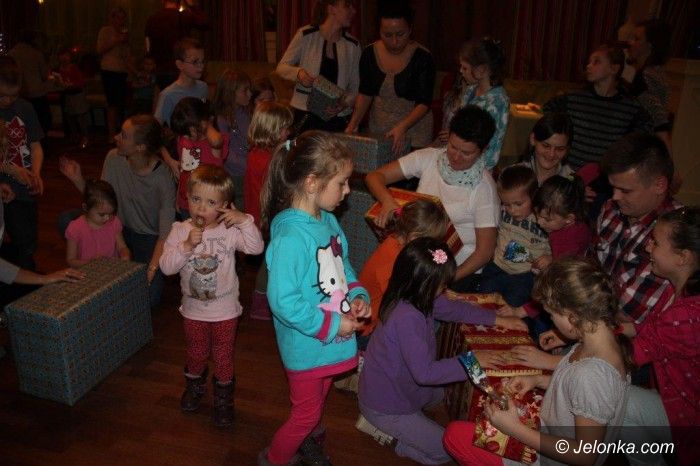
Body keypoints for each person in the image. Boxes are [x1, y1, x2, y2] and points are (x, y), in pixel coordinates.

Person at [443, 258, 632, 466]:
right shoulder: (601, 341)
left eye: (551, 315)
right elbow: (574, 390)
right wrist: (538, 380)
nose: (550, 320)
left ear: (572, 318)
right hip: (549, 429)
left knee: (455, 435)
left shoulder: (591, 376)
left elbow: (585, 455)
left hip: (550, 459)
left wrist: (514, 429)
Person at [358, 237, 526, 465]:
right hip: (385, 406)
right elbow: (425, 373)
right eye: (442, 284)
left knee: (440, 395)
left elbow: (456, 310)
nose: (445, 289)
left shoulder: (417, 295)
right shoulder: (407, 317)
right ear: (425, 283)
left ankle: (407, 420)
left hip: (402, 387)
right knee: (447, 450)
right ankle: (392, 440)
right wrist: (471, 361)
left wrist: (497, 319)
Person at [257, 131, 370, 466]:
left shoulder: (328, 220)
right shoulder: (291, 237)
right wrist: (333, 325)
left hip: (328, 340)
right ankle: (275, 459)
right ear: (311, 183)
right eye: (342, 183)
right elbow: (283, 301)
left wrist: (357, 293)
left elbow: (342, 265)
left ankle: (310, 442)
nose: (347, 191)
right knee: (305, 413)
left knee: (318, 401)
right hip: (307, 347)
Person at [159, 164, 264, 428]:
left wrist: (244, 221)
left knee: (223, 356)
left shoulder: (230, 231)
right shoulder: (180, 230)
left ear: (225, 206)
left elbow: (256, 248)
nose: (201, 208)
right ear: (187, 198)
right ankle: (195, 386)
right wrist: (186, 246)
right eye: (196, 199)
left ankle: (223, 399)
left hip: (225, 311)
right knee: (196, 352)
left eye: (211, 203)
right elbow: (166, 268)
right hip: (193, 311)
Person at [365, 105, 499, 292]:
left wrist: (446, 279)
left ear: (483, 150)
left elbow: (485, 252)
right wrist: (387, 201)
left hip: (457, 270)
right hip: (420, 259)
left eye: (466, 153)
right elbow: (374, 177)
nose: (456, 157)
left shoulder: (484, 188)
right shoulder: (429, 158)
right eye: (453, 147)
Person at [59, 114, 176, 308]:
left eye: (123, 135)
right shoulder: (114, 158)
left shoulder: (163, 178)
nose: (115, 137)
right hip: (115, 226)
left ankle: (118, 272)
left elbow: (165, 235)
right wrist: (77, 179)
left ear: (140, 147)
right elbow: (101, 202)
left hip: (148, 237)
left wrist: (152, 269)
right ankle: (104, 268)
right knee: (67, 220)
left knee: (149, 298)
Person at [619, 206, 700, 466]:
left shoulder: (685, 315)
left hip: (689, 415)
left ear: (683, 257)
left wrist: (550, 364)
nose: (647, 247)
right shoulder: (674, 289)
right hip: (675, 399)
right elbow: (646, 330)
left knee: (614, 399)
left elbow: (626, 358)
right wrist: (602, 329)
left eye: (655, 242)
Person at [595, 132, 681, 323]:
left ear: (659, 185)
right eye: (613, 188)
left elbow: (629, 313)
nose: (615, 197)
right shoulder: (611, 208)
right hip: (591, 315)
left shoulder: (675, 233)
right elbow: (590, 266)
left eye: (625, 190)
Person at [498, 175, 591, 346]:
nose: (539, 222)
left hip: (569, 294)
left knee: (542, 327)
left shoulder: (567, 240)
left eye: (547, 219)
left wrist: (520, 311)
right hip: (564, 279)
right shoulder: (570, 227)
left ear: (569, 218)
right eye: (537, 215)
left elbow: (552, 288)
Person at [543, 44, 651, 171]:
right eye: (589, 62)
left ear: (614, 68)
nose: (589, 66)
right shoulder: (574, 98)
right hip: (569, 172)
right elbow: (548, 111)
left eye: (596, 62)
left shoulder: (629, 107)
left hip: (604, 176)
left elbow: (644, 133)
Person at [345, 3, 435, 154]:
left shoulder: (423, 57)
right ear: (379, 31)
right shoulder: (369, 54)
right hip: (379, 130)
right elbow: (365, 93)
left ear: (410, 29)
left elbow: (424, 103)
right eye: (387, 35)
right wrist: (353, 124)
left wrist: (402, 127)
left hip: (414, 132)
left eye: (400, 34)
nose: (394, 42)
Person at [358, 199, 449, 341]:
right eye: (433, 242)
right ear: (415, 238)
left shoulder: (399, 245)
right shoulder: (393, 259)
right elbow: (400, 303)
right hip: (370, 329)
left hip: (383, 317)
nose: (435, 247)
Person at [276, 0, 360, 134]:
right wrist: (299, 73)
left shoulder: (353, 45)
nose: (353, 11)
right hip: (305, 116)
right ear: (331, 9)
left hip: (338, 119)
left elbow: (357, 87)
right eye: (347, 6)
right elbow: (281, 68)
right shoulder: (306, 34)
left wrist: (344, 104)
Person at [243, 101, 293, 320]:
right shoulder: (268, 159)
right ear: (272, 130)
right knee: (270, 262)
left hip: (260, 215)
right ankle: (260, 303)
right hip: (267, 217)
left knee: (270, 260)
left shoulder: (257, 153)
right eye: (285, 128)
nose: (288, 132)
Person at [479, 165, 549, 306]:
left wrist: (550, 258)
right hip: (497, 267)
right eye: (506, 204)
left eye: (518, 204)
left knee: (513, 303)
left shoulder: (543, 219)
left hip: (525, 274)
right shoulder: (502, 211)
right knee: (484, 299)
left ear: (534, 196)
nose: (512, 210)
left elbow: (555, 245)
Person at [0, 58, 45, 271]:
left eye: (13, 95)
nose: (8, 100)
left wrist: (36, 173)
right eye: (2, 95)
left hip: (24, 186)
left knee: (28, 237)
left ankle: (25, 269)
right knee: (13, 236)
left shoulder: (25, 108)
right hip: (4, 185)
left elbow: (35, 146)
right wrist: (11, 170)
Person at [438, 38, 509, 169]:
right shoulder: (471, 89)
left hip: (477, 166)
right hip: (461, 157)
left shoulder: (496, 103)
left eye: (465, 68)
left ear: (481, 70)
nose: (461, 71)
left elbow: (486, 144)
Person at [170, 97, 226, 218]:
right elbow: (184, 170)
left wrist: (206, 122)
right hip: (186, 203)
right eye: (183, 133)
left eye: (190, 130)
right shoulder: (183, 138)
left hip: (209, 206)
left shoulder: (213, 143)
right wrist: (178, 196)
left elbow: (216, 141)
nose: (186, 137)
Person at [625, 19, 672, 148]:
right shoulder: (655, 72)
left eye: (637, 39)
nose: (630, 43)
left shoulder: (648, 75)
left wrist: (667, 155)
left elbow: (659, 120)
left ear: (650, 45)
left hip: (642, 146)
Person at [145, 0, 209, 90]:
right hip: (182, 68)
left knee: (167, 95)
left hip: (162, 69)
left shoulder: (152, 19)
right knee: (187, 96)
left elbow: (148, 45)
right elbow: (205, 23)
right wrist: (192, 6)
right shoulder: (184, 16)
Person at [65, 179, 130, 268]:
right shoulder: (75, 228)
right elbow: (71, 260)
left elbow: (122, 247)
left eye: (111, 213)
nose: (107, 218)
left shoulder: (114, 222)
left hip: (111, 270)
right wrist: (91, 263)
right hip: (86, 272)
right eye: (102, 214)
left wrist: (125, 254)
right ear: (85, 207)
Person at [213, 68, 252, 211]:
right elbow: (225, 152)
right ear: (230, 93)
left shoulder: (247, 112)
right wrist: (247, 165)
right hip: (234, 175)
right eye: (245, 90)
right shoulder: (220, 119)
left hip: (249, 170)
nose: (250, 94)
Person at [7, 30, 57, 134]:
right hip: (37, 93)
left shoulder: (12, 53)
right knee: (43, 121)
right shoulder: (36, 54)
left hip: (20, 93)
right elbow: (44, 74)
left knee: (24, 122)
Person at [154, 37, 208, 128]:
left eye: (202, 61)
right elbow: (156, 126)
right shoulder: (168, 95)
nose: (201, 66)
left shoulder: (203, 87)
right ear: (180, 64)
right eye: (195, 62)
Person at [96, 7, 131, 138]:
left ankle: (122, 133)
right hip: (109, 71)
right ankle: (111, 134)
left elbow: (126, 55)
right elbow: (99, 49)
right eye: (118, 17)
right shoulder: (105, 31)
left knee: (121, 104)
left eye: (123, 18)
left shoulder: (124, 32)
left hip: (122, 71)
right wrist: (116, 40)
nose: (120, 21)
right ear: (112, 18)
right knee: (112, 104)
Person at [518, 112, 574, 185]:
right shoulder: (513, 176)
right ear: (532, 139)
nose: (551, 154)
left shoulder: (571, 182)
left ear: (567, 149)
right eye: (546, 146)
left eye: (560, 149)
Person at [57, 46, 90, 149]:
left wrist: (71, 84)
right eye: (62, 56)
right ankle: (74, 136)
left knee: (80, 118)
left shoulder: (74, 68)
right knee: (70, 118)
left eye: (66, 55)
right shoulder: (59, 69)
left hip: (77, 95)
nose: (64, 58)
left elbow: (81, 82)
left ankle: (85, 137)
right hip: (68, 95)